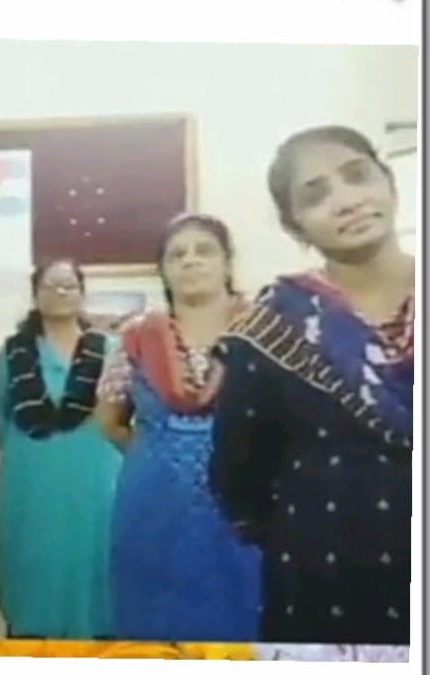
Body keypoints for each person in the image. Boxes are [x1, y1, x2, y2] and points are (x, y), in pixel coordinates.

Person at [210, 126, 413, 645]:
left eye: (357, 176)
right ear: (294, 225)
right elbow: (239, 474)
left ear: (389, 183)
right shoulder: (272, 327)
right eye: (315, 195)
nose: (346, 200)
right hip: (325, 586)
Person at [96, 214, 261, 642]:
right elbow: (108, 422)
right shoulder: (135, 338)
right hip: (155, 507)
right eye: (177, 255)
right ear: (164, 271)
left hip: (244, 504)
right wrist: (162, 454)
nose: (190, 260)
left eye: (204, 250)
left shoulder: (264, 331)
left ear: (227, 263)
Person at [0, 259, 123, 639]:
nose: (61, 292)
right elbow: (0, 419)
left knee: (96, 569)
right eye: (51, 285)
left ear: (82, 294)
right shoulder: (13, 353)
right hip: (30, 487)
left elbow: (125, 415)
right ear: (35, 294)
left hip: (97, 484)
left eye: (69, 285)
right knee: (33, 571)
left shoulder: (110, 350)